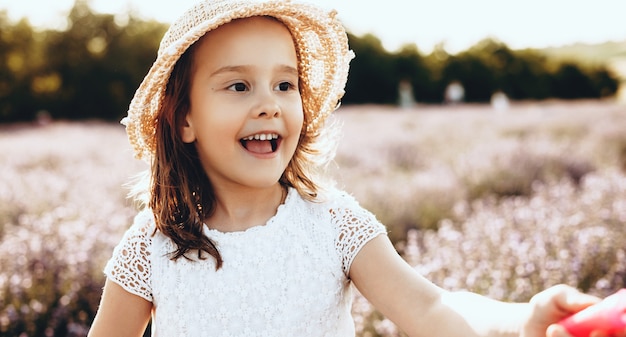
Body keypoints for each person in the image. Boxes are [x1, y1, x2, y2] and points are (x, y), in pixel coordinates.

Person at [88, 1, 615, 336]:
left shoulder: (333, 224)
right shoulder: (152, 246)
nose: (270, 104)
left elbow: (431, 309)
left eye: (286, 84)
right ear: (184, 120)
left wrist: (523, 319)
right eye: (239, 85)